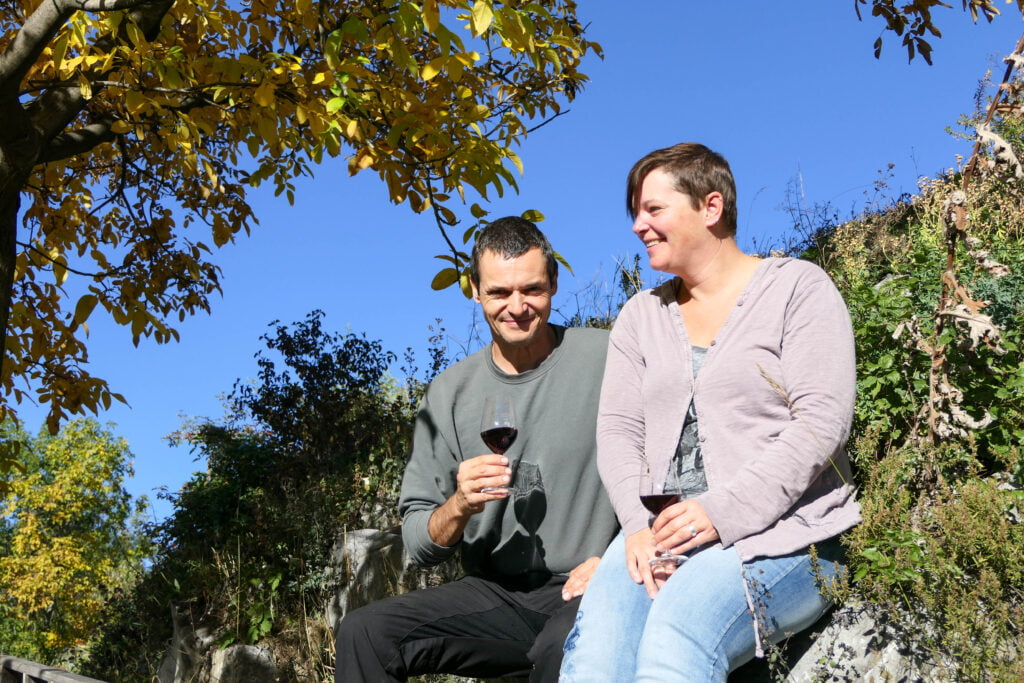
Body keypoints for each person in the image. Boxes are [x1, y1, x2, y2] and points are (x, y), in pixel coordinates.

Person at [559, 143, 861, 682]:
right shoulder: (640, 316)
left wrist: (720, 511)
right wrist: (635, 525)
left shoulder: (797, 289)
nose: (637, 225)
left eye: (653, 209)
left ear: (711, 207)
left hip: (789, 538)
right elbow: (619, 430)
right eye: (635, 212)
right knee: (592, 663)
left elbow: (821, 422)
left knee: (678, 637)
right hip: (659, 538)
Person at [335, 216, 618, 682]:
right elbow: (418, 542)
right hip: (495, 597)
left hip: (591, 584)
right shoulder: (449, 393)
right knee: (365, 633)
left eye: (532, 289)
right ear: (474, 290)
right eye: (499, 293)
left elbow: (668, 468)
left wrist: (615, 560)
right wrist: (461, 504)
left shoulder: (608, 357)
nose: (518, 307)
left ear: (554, 283)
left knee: (563, 648)